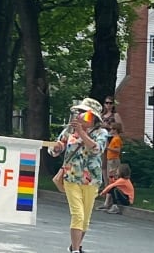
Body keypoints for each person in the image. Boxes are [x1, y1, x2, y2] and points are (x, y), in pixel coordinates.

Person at [49, 98, 109, 253]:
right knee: (78, 214)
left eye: (85, 113)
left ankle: (74, 246)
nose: (81, 115)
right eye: (80, 112)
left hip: (91, 179)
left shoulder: (101, 133)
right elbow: (57, 147)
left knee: (85, 218)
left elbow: (97, 149)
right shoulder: (70, 130)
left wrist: (82, 133)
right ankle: (75, 250)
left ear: (93, 117)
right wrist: (56, 148)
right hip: (71, 176)